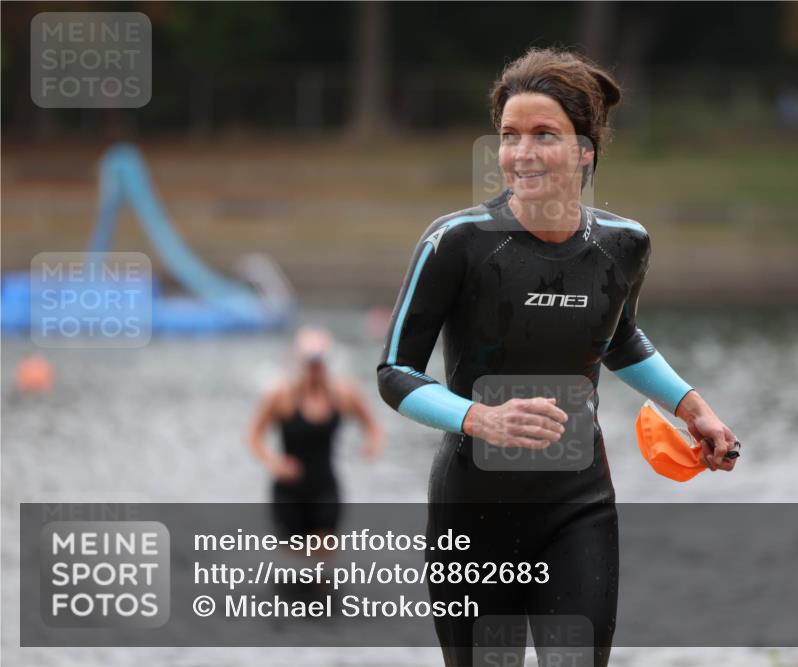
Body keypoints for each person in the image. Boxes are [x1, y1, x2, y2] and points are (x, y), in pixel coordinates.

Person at [376, 48, 738, 667]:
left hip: (578, 507)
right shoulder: (457, 243)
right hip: (475, 508)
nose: (522, 153)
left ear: (585, 150)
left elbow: (618, 337)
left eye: (545, 135)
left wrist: (692, 406)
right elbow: (395, 373)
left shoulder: (623, 245)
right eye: (509, 136)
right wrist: (478, 418)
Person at [250, 326, 384, 541]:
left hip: (325, 487)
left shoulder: (342, 394)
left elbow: (372, 425)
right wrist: (275, 463)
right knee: (292, 560)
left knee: (324, 558)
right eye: (309, 362)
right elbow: (254, 436)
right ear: (299, 361)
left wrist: (371, 445)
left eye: (318, 361)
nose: (314, 367)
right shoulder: (281, 396)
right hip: (288, 489)